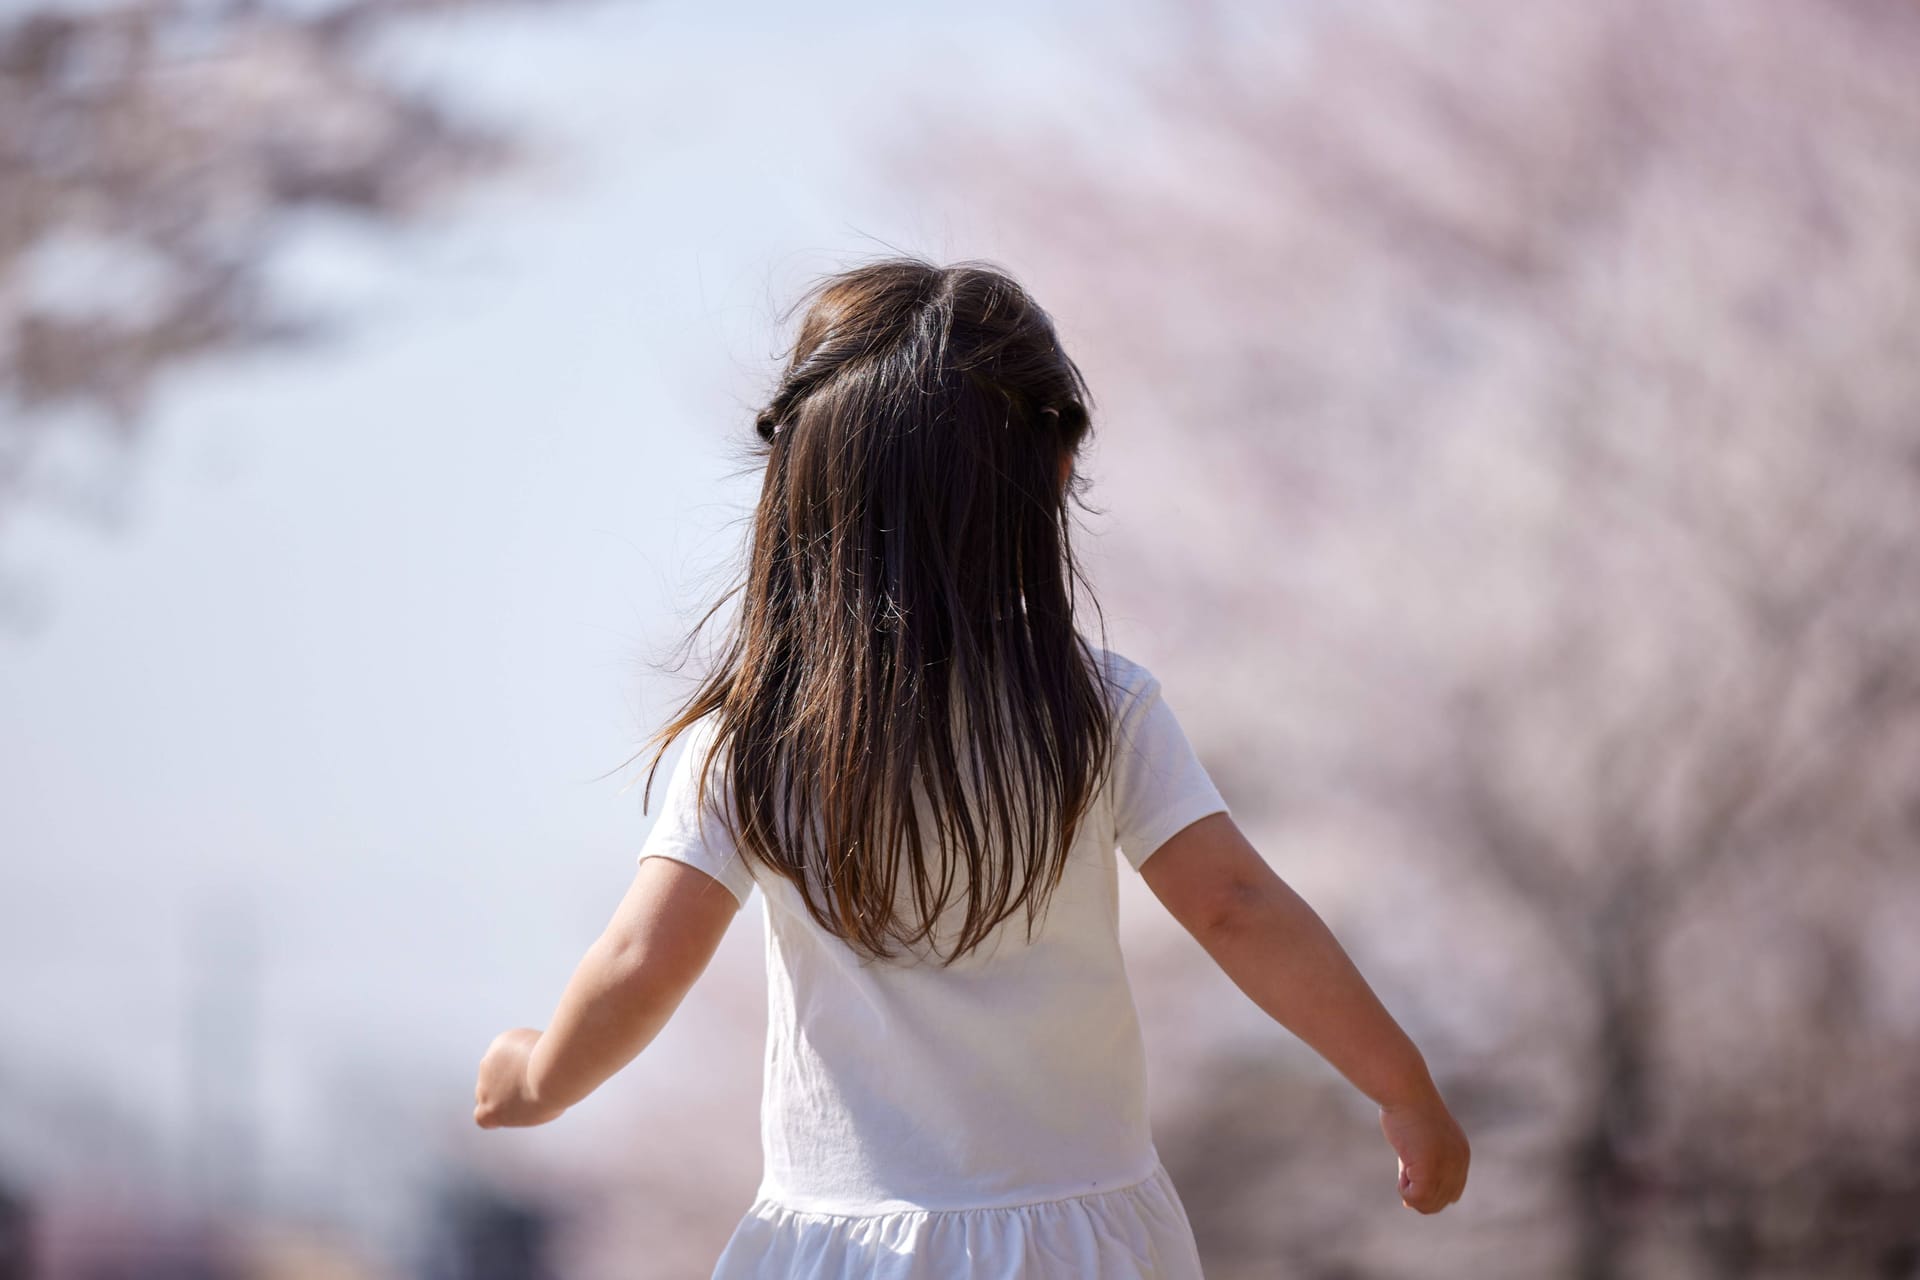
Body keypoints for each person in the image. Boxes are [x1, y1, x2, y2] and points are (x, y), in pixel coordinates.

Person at [473, 256, 1470, 1277]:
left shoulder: (757, 738)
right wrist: (1399, 1080)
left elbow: (644, 962)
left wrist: (539, 1074)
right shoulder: (1092, 708)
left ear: (799, 487)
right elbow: (1236, 904)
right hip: (1079, 1235)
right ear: (1052, 474)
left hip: (840, 1241)